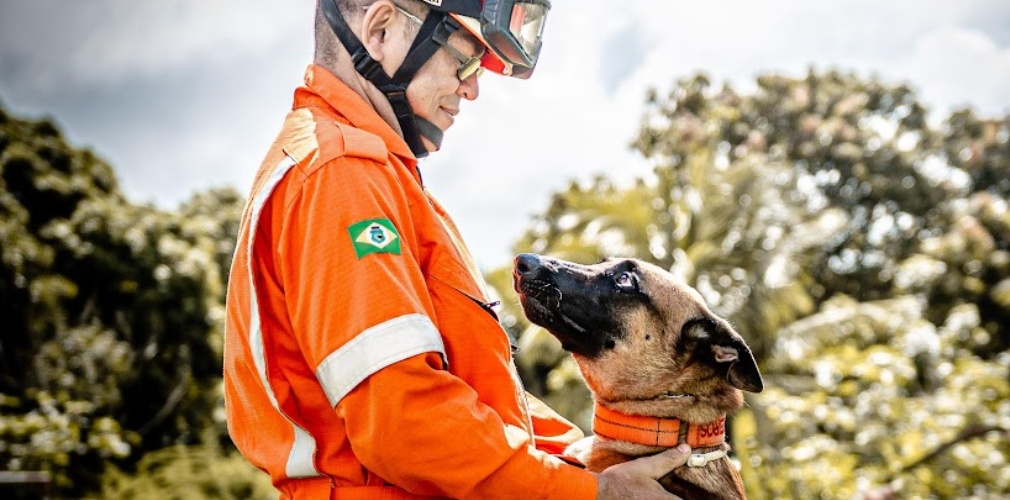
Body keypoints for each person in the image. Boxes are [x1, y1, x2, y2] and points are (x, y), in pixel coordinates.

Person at [222, 1, 693, 499]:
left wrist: (585, 460)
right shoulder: (341, 176)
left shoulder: (380, 177)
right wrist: (590, 494)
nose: (472, 88)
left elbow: (481, 399)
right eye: (464, 60)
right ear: (380, 30)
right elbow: (404, 419)